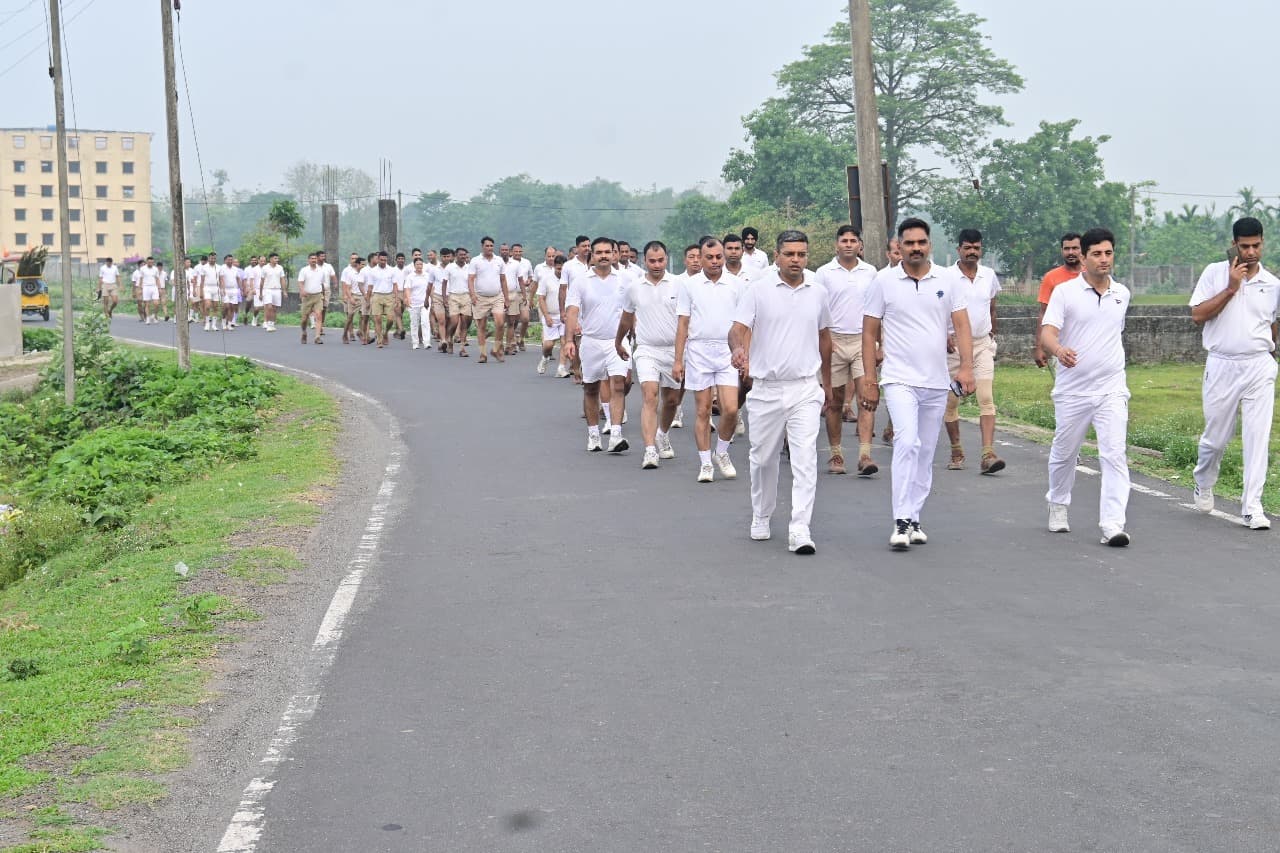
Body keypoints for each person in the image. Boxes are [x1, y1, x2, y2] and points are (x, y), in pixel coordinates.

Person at [861, 218, 974, 551]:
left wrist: (967, 368)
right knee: (906, 442)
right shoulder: (883, 281)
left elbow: (962, 326)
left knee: (925, 451)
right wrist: (869, 378)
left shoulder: (948, 280)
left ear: (930, 245)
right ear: (899, 246)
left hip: (936, 381)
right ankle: (900, 520)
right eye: (909, 243)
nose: (915, 248)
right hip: (899, 379)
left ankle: (914, 517)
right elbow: (869, 332)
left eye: (921, 243)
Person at [729, 229, 833, 554]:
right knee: (762, 459)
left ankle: (800, 528)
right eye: (789, 254)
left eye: (801, 254)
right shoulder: (757, 290)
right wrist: (737, 350)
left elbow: (825, 337)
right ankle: (761, 514)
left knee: (805, 459)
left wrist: (826, 383)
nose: (796, 260)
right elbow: (737, 329)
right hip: (766, 389)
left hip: (804, 387)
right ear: (776, 256)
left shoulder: (818, 290)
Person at [1040, 227, 1132, 546]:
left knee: (1114, 453)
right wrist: (1059, 350)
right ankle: (1058, 503)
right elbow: (1047, 333)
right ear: (1083, 257)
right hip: (1073, 391)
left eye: (1108, 253)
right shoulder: (1065, 293)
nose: (1103, 259)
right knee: (1065, 453)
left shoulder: (1121, 294)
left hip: (1111, 389)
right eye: (1097, 253)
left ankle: (1112, 524)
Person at [1189, 216, 1279, 530]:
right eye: (1245, 246)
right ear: (1234, 245)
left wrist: (1269, 352)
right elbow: (1198, 315)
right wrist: (1231, 288)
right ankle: (1203, 479)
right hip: (1222, 363)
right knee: (1216, 439)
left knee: (1257, 437)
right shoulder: (1214, 273)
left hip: (1258, 366)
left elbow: (1273, 326)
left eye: (1256, 245)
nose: (1251, 252)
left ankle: (1252, 506)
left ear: (1262, 243)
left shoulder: (1272, 284)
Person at [674, 237, 746, 483]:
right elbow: (683, 323)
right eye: (709, 257)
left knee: (731, 409)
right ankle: (705, 463)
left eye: (719, 257)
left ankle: (722, 452)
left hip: (727, 351)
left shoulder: (737, 285)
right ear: (700, 258)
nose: (715, 262)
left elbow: (744, 324)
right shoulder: (689, 285)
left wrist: (745, 354)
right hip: (698, 351)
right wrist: (678, 360)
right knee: (703, 410)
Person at [815, 224, 878, 476]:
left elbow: (877, 311)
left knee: (867, 398)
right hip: (834, 340)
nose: (849, 244)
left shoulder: (871, 272)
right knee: (834, 401)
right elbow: (817, 310)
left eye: (853, 240)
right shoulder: (824, 273)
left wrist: (879, 344)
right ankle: (836, 455)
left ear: (860, 245)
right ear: (836, 245)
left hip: (863, 341)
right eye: (844, 240)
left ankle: (865, 455)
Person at [943, 229, 1005, 474]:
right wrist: (943, 335)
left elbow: (992, 307)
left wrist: (992, 333)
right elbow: (935, 309)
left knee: (986, 398)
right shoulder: (945, 277)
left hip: (981, 346)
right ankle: (957, 450)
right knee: (950, 401)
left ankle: (988, 453)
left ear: (981, 250)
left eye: (976, 248)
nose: (972, 252)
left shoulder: (988, 275)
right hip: (953, 347)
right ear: (958, 249)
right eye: (967, 247)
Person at [616, 240, 680, 468]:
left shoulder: (679, 284)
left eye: (660, 260)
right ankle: (650, 450)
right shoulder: (634, 287)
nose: (656, 265)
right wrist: (618, 342)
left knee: (672, 400)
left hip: (674, 350)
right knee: (650, 395)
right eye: (652, 260)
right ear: (644, 260)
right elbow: (625, 318)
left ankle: (662, 434)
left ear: (666, 259)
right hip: (646, 349)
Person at [562, 237, 630, 453]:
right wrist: (569, 340)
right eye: (599, 252)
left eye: (607, 252)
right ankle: (593, 434)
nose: (603, 256)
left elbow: (633, 310)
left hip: (617, 341)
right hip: (591, 341)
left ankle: (616, 434)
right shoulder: (582, 281)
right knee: (591, 388)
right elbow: (572, 311)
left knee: (618, 384)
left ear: (614, 254)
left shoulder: (625, 279)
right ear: (592, 254)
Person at [1035, 233, 1083, 368]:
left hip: (1089, 342)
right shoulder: (1051, 277)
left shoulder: (1091, 275)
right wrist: (1039, 347)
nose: (1071, 252)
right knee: (1065, 387)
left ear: (1083, 249)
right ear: (1062, 251)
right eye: (1067, 249)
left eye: (1075, 248)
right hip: (1060, 345)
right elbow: (1043, 314)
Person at [468, 237, 510, 363]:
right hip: (480, 297)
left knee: (500, 322)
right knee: (481, 326)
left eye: (491, 246)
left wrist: (506, 298)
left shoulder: (499, 261)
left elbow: (503, 279)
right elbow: (470, 279)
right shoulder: (475, 261)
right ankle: (483, 354)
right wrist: (472, 295)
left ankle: (496, 349)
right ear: (482, 247)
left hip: (497, 296)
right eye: (487, 246)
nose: (489, 248)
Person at [536, 254, 568, 376]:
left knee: (565, 341)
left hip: (564, 316)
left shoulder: (570, 279)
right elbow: (541, 298)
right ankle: (545, 357)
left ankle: (561, 368)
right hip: (550, 315)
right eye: (559, 269)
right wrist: (546, 316)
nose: (561, 272)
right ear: (554, 266)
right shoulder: (546, 279)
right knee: (549, 344)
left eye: (563, 269)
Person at [365, 251, 399, 348]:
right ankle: (379, 340)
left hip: (389, 295)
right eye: (381, 260)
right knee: (378, 319)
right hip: (376, 296)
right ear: (378, 259)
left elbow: (395, 285)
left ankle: (385, 332)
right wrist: (368, 301)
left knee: (390, 319)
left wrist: (396, 298)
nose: (383, 261)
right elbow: (370, 287)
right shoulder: (373, 271)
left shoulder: (392, 270)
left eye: (385, 260)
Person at [505, 243, 533, 354]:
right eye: (515, 252)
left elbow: (531, 275)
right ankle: (512, 341)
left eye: (520, 251)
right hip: (513, 294)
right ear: (511, 252)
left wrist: (529, 281)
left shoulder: (527, 262)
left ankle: (521, 338)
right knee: (513, 320)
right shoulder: (507, 263)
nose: (518, 253)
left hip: (524, 293)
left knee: (525, 318)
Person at [445, 248, 473, 356]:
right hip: (453, 296)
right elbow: (444, 282)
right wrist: (444, 297)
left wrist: (473, 295)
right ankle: (450, 339)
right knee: (454, 322)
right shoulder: (450, 267)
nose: (463, 257)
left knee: (465, 323)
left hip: (466, 296)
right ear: (456, 255)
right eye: (461, 255)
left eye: (464, 255)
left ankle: (462, 348)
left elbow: (472, 282)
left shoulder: (469, 268)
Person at [404, 257, 432, 350]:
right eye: (417, 264)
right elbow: (407, 289)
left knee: (425, 322)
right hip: (414, 302)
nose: (419, 266)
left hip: (425, 302)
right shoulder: (410, 277)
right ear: (414, 265)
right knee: (414, 323)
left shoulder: (427, 275)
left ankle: (426, 342)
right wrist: (408, 299)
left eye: (421, 264)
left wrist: (431, 298)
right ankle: (415, 343)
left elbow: (430, 288)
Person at [429, 247, 454, 352]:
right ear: (440, 257)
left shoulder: (454, 268)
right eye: (444, 257)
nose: (446, 259)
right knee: (441, 321)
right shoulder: (434, 269)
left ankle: (447, 339)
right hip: (438, 296)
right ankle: (443, 340)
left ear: (451, 257)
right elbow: (430, 284)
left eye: (448, 256)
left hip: (452, 296)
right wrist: (427, 298)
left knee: (451, 321)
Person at [258, 252, 286, 331]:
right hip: (267, 289)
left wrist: (284, 291)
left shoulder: (280, 267)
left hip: (277, 289)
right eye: (275, 258)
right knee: (269, 306)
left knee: (274, 308)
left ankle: (272, 323)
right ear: (270, 259)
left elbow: (282, 279)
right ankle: (268, 323)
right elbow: (262, 281)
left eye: (277, 258)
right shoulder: (265, 268)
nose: (277, 260)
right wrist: (260, 293)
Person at [340, 253, 364, 344]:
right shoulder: (348, 271)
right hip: (352, 296)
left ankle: (360, 332)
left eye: (356, 258)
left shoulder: (364, 272)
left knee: (363, 316)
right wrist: (346, 296)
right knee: (350, 317)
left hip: (362, 297)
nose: (354, 260)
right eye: (352, 258)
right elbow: (345, 284)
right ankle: (346, 333)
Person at [218, 255, 241, 330]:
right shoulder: (222, 268)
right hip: (225, 290)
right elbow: (221, 279)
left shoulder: (235, 269)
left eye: (231, 260)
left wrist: (241, 289)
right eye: (228, 260)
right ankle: (224, 322)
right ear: (225, 261)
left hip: (234, 290)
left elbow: (238, 279)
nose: (230, 261)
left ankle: (229, 324)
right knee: (226, 306)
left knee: (232, 307)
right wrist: (223, 289)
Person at [136, 256, 162, 324]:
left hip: (154, 287)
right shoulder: (142, 269)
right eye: (149, 262)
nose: (151, 263)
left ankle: (154, 315)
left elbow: (157, 279)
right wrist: (139, 289)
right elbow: (141, 279)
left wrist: (159, 288)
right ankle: (147, 318)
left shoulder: (155, 269)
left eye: (152, 262)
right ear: (147, 262)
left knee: (156, 303)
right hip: (146, 287)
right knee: (147, 304)